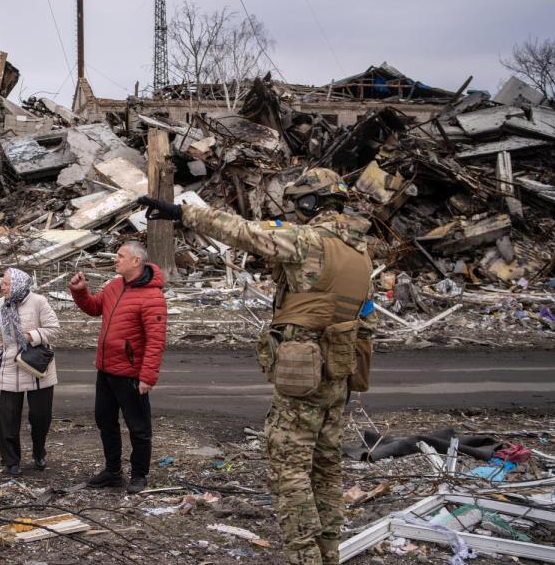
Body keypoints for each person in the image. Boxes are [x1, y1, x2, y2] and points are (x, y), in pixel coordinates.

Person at [137, 168, 376, 565]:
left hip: (305, 372)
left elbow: (243, 231)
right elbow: (366, 318)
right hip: (340, 370)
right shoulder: (360, 252)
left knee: (290, 470)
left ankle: (304, 557)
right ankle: (328, 553)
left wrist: (181, 213)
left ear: (310, 202)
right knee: (327, 467)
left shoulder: (309, 240)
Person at [69, 241, 167, 494]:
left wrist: (147, 377)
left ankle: (139, 475)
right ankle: (112, 471)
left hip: (131, 375)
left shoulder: (152, 297)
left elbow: (156, 341)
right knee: (105, 422)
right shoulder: (114, 285)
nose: (116, 259)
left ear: (136, 261)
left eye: (121, 256)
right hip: (106, 370)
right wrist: (80, 292)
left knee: (139, 428)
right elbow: (94, 308)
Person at [0, 267, 60, 476]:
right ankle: (11, 461)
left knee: (40, 416)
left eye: (6, 283)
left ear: (18, 284)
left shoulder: (38, 302)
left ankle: (39, 450)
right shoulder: (0, 305)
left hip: (37, 367)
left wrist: (31, 336)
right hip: (9, 366)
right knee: (8, 418)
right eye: (2, 283)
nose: (2, 287)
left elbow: (54, 329)